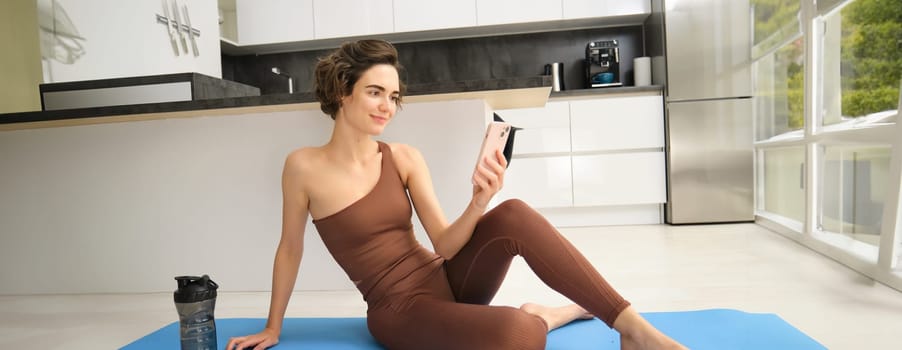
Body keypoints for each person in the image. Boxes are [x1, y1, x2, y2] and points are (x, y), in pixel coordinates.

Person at [226, 39, 685, 350]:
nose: (388, 106)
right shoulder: (303, 166)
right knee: (519, 332)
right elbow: (290, 249)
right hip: (397, 310)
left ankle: (632, 329)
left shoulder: (402, 156)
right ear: (343, 92)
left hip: (446, 279)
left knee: (515, 213)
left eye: (393, 95)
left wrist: (480, 199)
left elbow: (444, 244)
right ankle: (544, 314)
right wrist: (273, 326)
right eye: (375, 92)